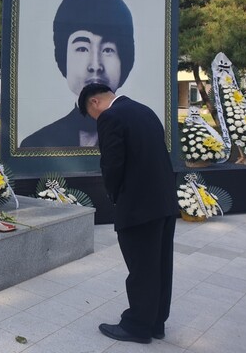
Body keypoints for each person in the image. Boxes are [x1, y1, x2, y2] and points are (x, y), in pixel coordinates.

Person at [78, 82, 178, 344]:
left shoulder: (111, 116)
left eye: (92, 115)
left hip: (138, 205)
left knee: (141, 268)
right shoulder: (145, 111)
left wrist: (113, 195)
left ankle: (137, 326)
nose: (96, 119)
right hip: (164, 202)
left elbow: (112, 164)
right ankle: (156, 322)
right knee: (160, 265)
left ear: (94, 103)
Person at [21, 0, 134, 148]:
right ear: (63, 57)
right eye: (82, 48)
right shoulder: (36, 143)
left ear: (124, 60)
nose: (95, 66)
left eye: (108, 49)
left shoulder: (140, 137)